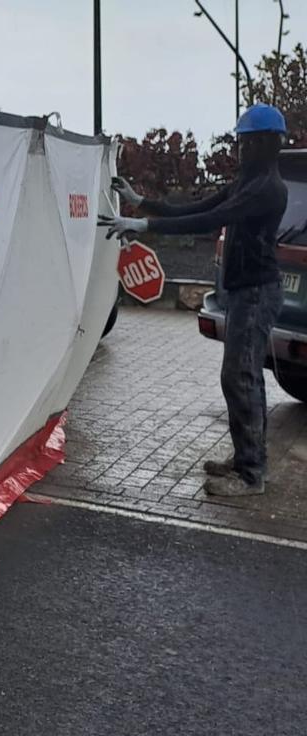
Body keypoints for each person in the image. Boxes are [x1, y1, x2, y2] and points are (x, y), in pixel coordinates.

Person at [100, 104, 289, 498]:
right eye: (240, 143)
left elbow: (206, 221)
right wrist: (142, 202)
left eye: (246, 143)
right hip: (242, 291)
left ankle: (251, 473)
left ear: (265, 144)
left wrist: (144, 225)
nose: (241, 150)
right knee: (236, 376)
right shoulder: (247, 183)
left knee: (242, 376)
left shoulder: (268, 189)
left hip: (256, 292)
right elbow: (197, 207)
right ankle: (243, 459)